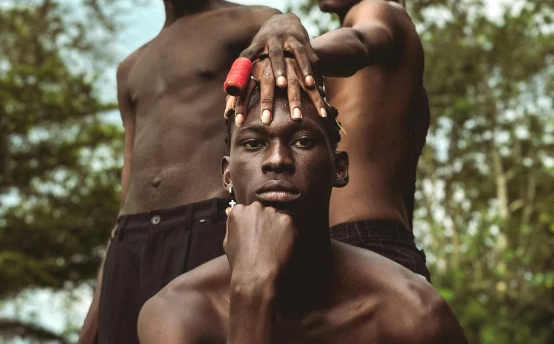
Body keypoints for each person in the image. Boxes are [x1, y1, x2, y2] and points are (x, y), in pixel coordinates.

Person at [78, 0, 317, 344]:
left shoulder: (239, 24)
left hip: (208, 224)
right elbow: (128, 182)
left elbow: (278, 25)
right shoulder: (131, 67)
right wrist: (98, 307)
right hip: (130, 240)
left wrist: (286, 21)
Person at [138, 84, 466, 343]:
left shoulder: (412, 313)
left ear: (339, 169)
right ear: (227, 175)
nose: (277, 159)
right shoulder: (176, 313)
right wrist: (252, 291)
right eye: (253, 144)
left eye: (303, 140)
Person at [232, 0, 432, 279]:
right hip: (380, 244)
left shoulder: (382, 13)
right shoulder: (398, 75)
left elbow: (361, 41)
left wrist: (292, 44)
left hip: (363, 242)